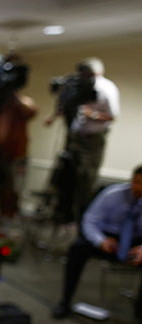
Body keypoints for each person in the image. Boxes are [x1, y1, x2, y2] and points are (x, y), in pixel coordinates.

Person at [52, 165, 142, 320]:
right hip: (108, 237)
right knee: (77, 248)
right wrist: (100, 241)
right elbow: (90, 220)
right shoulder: (112, 194)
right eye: (137, 182)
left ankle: (140, 314)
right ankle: (65, 301)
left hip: (135, 242)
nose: (139, 187)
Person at [46, 57, 120, 222]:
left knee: (85, 180)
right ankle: (63, 215)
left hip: (91, 141)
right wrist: (54, 116)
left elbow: (112, 116)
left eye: (86, 74)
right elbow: (67, 103)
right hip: (73, 138)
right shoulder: (77, 85)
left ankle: (83, 220)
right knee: (66, 177)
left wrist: (92, 114)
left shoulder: (106, 88)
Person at [0, 57, 37, 219]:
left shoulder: (21, 103)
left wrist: (13, 95)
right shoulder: (0, 106)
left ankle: (11, 216)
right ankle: (2, 215)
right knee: (1, 188)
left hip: (16, 155)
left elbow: (32, 111)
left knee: (12, 189)